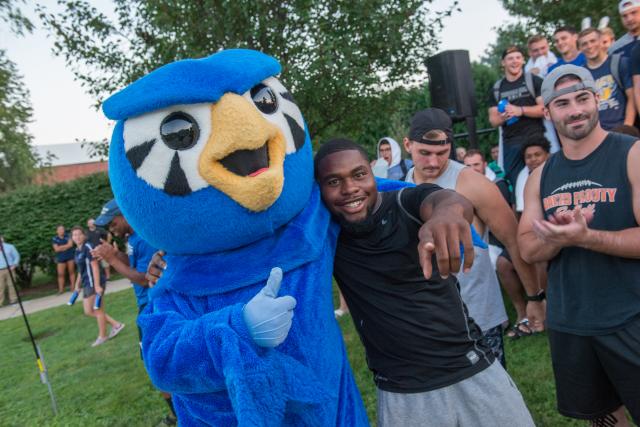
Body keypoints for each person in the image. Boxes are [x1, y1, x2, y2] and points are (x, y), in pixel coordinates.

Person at [315, 138, 535, 427]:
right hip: (402, 393)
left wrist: (445, 216)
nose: (350, 189)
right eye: (334, 181)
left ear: (372, 172)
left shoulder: (405, 203)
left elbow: (445, 200)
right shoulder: (325, 237)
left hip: (472, 370)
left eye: (358, 175)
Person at [518, 64, 640, 425]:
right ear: (548, 112)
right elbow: (527, 248)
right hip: (572, 322)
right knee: (603, 417)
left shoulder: (631, 154)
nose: (575, 110)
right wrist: (556, 240)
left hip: (631, 316)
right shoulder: (540, 176)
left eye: (582, 98)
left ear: (597, 99)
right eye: (563, 103)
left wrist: (587, 238)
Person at [404, 108, 541, 366]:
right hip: (428, 319)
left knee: (494, 401)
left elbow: (513, 240)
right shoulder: (402, 185)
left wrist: (534, 298)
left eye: (441, 153)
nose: (433, 162)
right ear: (408, 145)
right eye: (425, 153)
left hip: (477, 317)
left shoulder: (472, 184)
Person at [90, 200, 177, 425]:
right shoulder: (132, 238)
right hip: (145, 306)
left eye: (112, 223)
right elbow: (132, 264)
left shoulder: (145, 238)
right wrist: (115, 254)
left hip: (153, 306)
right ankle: (177, 412)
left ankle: (178, 414)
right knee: (154, 360)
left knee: (155, 362)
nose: (111, 229)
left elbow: (144, 278)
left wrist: (111, 259)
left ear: (125, 214)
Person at [488, 46, 546, 187]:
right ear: (503, 63)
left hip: (535, 138)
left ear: (523, 60)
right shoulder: (497, 88)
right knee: (517, 183)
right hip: (511, 142)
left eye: (518, 57)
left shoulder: (534, 80)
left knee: (542, 180)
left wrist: (520, 110)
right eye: (510, 58)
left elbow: (544, 109)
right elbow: (493, 121)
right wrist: (505, 116)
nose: (515, 61)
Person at [70, 225, 125, 347]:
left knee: (97, 310)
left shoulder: (88, 247)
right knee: (88, 311)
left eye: (79, 234)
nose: (77, 237)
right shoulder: (77, 250)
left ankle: (102, 336)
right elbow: (81, 269)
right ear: (72, 238)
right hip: (86, 283)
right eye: (74, 235)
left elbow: (94, 266)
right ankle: (116, 324)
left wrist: (97, 286)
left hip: (94, 282)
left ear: (84, 235)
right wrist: (77, 284)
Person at [579, 27, 635, 130]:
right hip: (597, 134)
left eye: (592, 41)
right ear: (580, 48)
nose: (589, 46)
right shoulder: (581, 74)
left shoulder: (619, 63)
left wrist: (627, 127)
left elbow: (632, 97)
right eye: (584, 44)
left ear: (601, 42)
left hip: (622, 128)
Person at [515, 136, 551, 214]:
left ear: (548, 155)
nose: (533, 159)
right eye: (528, 157)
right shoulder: (522, 178)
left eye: (537, 155)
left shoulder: (557, 172)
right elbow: (522, 210)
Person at [51, 225, 76, 294]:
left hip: (70, 256)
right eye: (60, 229)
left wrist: (61, 247)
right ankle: (61, 290)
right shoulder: (54, 239)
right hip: (61, 258)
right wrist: (65, 246)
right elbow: (56, 249)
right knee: (60, 274)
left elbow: (70, 245)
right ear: (57, 231)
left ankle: (73, 287)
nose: (62, 231)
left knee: (71, 272)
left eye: (62, 229)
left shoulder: (68, 236)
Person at [0, 236, 19, 306]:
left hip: (10, 268)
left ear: (2, 239)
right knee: (0, 286)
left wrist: (14, 265)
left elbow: (16, 256)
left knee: (12, 285)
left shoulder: (10, 247)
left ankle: (13, 300)